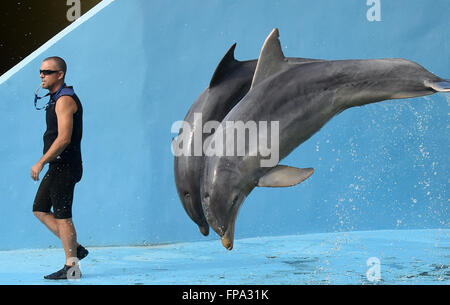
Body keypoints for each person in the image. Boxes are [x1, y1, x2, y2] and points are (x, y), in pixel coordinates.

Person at [31, 56, 88, 280]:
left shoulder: (65, 99)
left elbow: (64, 139)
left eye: (47, 71)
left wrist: (41, 161)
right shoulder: (55, 98)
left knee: (63, 216)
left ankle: (72, 267)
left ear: (60, 75)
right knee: (40, 209)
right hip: (58, 166)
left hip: (65, 166)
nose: (42, 75)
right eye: (41, 71)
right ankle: (76, 248)